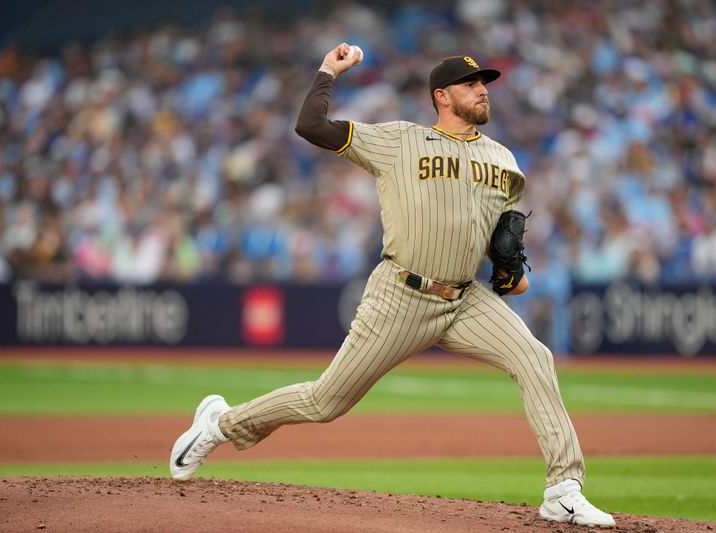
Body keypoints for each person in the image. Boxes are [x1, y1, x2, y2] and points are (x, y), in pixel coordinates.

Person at [169, 43, 615, 528]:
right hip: (401, 295)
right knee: (325, 402)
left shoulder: (503, 159)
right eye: (472, 85)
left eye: (484, 83)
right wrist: (327, 71)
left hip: (465, 300)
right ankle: (219, 424)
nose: (483, 91)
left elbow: (499, 240)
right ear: (442, 96)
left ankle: (563, 489)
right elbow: (310, 126)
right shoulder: (399, 141)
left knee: (535, 357)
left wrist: (509, 269)